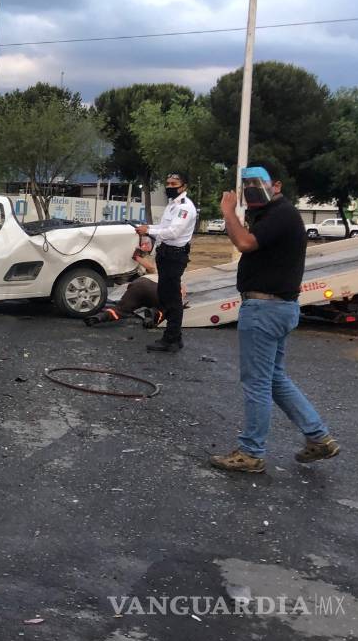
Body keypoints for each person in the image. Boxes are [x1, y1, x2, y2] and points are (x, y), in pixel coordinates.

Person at [208, 166, 339, 474]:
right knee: (275, 379)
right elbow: (245, 238)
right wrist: (236, 217)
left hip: (264, 310)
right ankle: (318, 437)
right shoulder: (273, 214)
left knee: (256, 383)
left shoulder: (281, 213)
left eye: (257, 185)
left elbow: (244, 244)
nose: (251, 192)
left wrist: (228, 211)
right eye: (246, 187)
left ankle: (251, 452)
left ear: (276, 185)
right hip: (277, 308)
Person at [136, 173, 196, 352]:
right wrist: (148, 231)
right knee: (165, 295)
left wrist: (149, 230)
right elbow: (163, 228)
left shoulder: (185, 207)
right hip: (166, 255)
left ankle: (171, 339)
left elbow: (173, 232)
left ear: (183, 186)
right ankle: (174, 338)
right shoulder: (172, 205)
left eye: (174, 183)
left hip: (175, 256)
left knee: (172, 298)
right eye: (167, 183)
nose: (169, 186)